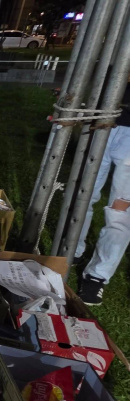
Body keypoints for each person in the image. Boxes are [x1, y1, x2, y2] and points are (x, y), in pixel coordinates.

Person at [74, 82, 130, 306]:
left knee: (121, 210)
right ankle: (73, 249)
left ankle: (97, 275)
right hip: (103, 123)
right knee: (83, 195)